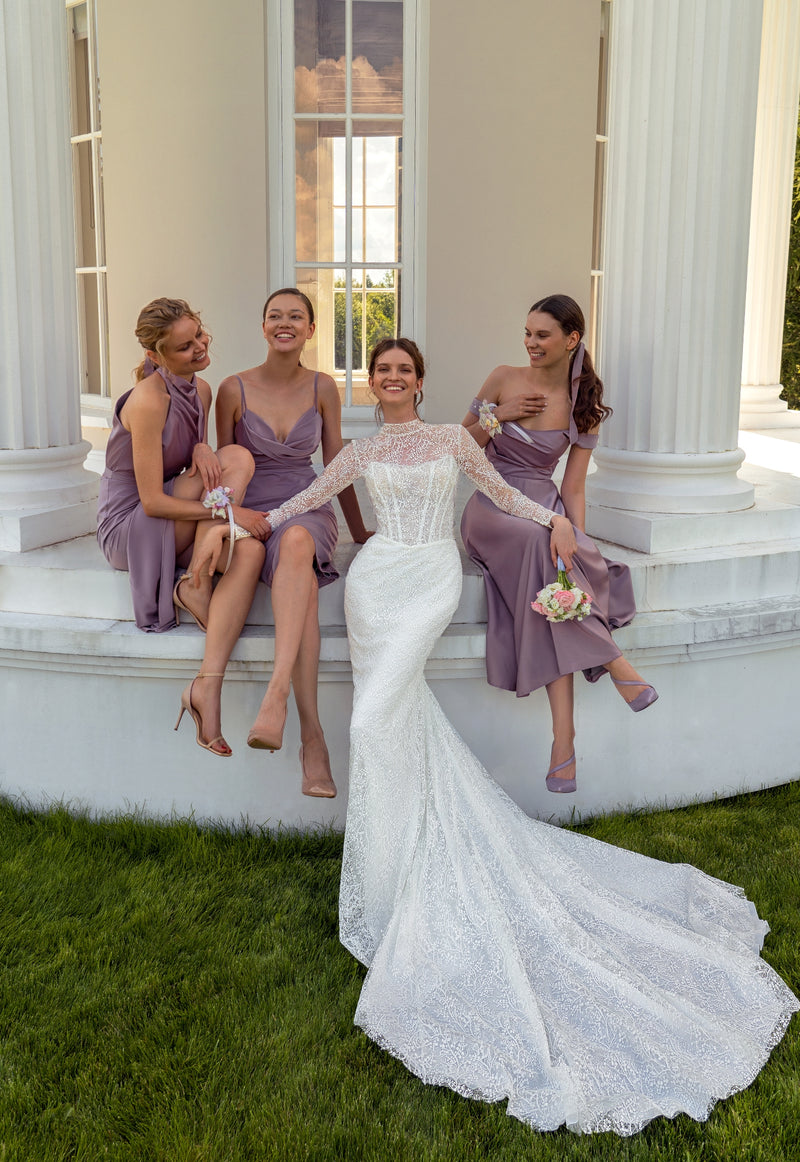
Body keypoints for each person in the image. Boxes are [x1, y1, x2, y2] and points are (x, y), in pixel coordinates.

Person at [196, 336, 798, 1135]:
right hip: (375, 589)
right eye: (382, 371)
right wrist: (236, 518)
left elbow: (505, 495)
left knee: (375, 717)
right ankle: (392, 875)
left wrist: (555, 518)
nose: (394, 379)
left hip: (427, 578)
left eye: (406, 369)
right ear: (371, 383)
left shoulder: (452, 440)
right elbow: (295, 507)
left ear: (421, 380)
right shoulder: (364, 449)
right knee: (386, 719)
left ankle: (410, 868)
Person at [461, 293, 654, 793]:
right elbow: (458, 449)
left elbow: (572, 487)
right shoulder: (503, 377)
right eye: (527, 332)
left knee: (554, 567)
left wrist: (575, 536)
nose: (530, 343)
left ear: (571, 340)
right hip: (492, 509)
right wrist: (498, 414)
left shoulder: (582, 406)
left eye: (542, 335)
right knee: (536, 542)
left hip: (548, 514)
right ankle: (616, 663)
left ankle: (563, 743)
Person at [216, 288, 371, 797]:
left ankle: (276, 695)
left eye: (296, 317)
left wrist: (359, 529)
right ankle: (312, 736)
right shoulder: (232, 388)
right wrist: (231, 514)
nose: (285, 323)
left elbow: (337, 464)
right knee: (298, 571)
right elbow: (222, 467)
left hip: (309, 506)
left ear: (310, 330)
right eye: (275, 316)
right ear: (263, 327)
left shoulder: (322, 386)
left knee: (301, 538)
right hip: (255, 513)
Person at [97, 297, 268, 756]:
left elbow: (200, 461)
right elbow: (152, 501)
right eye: (183, 346)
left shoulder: (203, 388)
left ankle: (206, 690)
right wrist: (230, 516)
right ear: (154, 356)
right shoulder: (147, 401)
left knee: (248, 545)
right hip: (131, 525)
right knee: (238, 487)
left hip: (175, 508)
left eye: (199, 335)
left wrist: (201, 448)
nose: (199, 347)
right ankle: (209, 548)